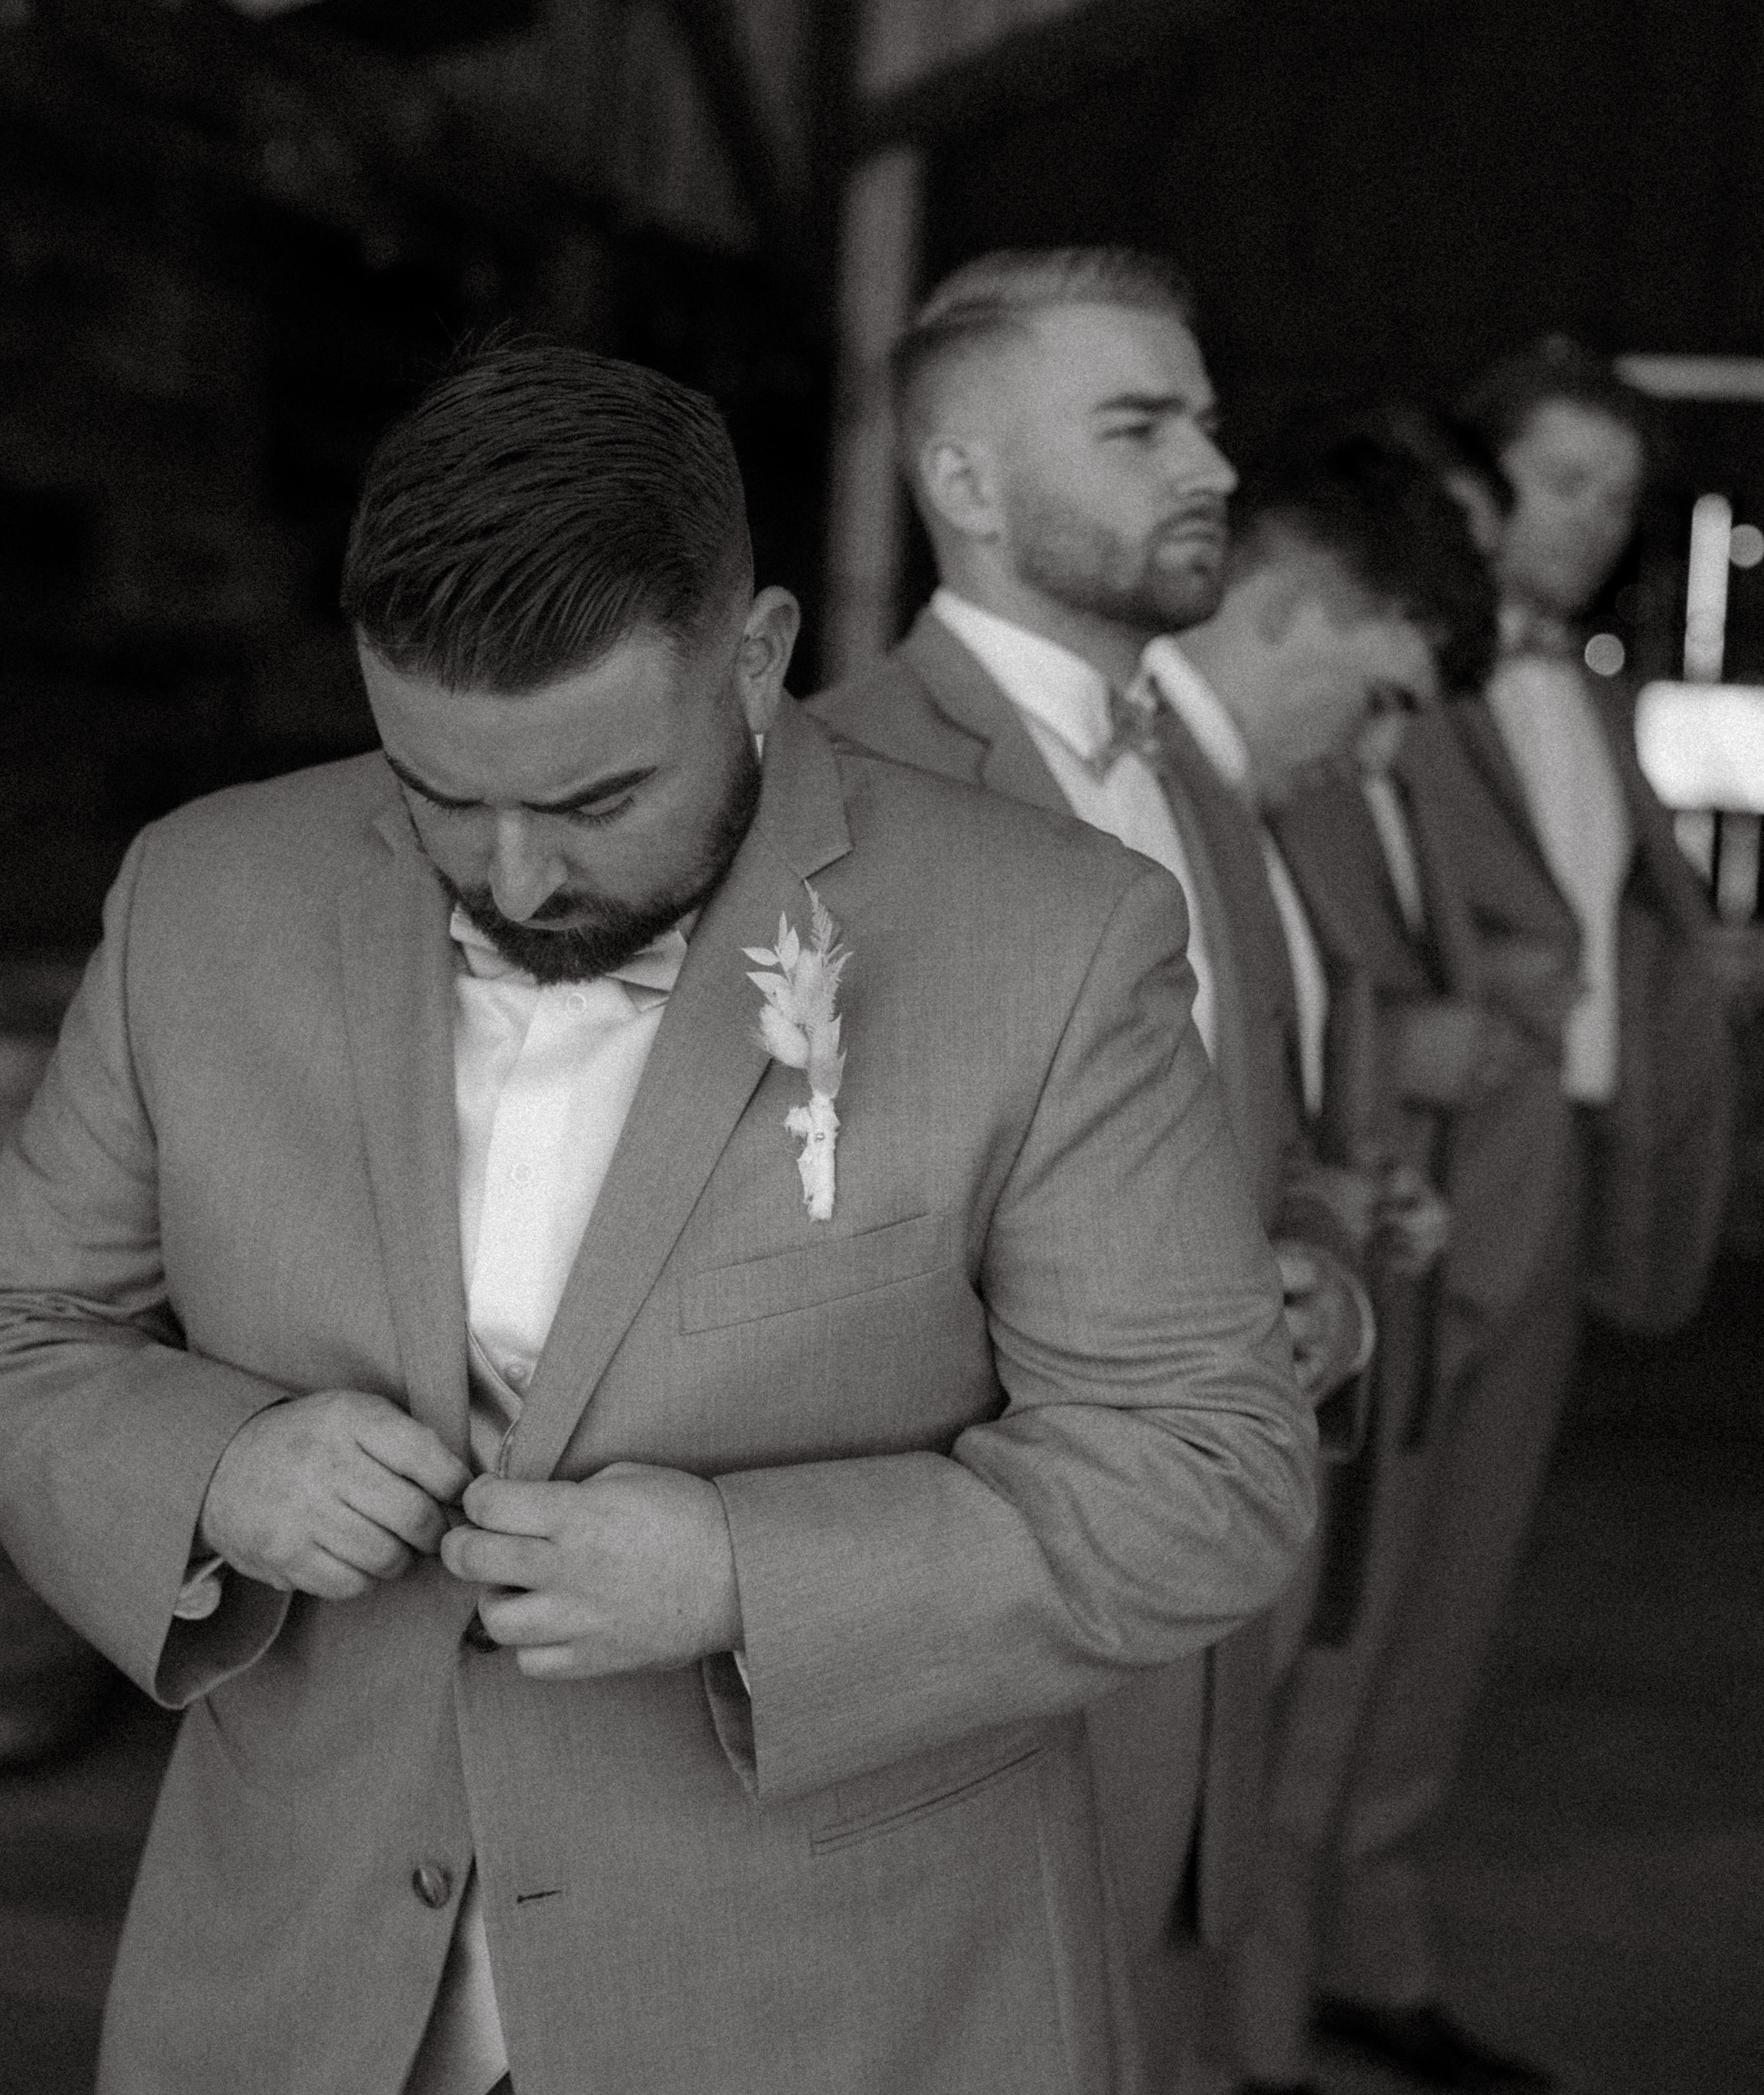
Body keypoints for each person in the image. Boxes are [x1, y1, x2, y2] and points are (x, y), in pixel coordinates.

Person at [0, 343, 1316, 2095]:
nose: (516, 875)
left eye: (596, 799)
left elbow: (1207, 1469)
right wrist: (211, 1468)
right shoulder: (201, 895)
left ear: (758, 658)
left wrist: (745, 1575)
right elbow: (29, 1331)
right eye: (439, 792)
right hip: (291, 1989)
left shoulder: (1054, 939)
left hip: (843, 2011)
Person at [812, 252, 1443, 2066]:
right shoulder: (841, 782)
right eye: (1140, 428)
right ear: (967, 482)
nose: (1214, 469)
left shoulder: (1202, 789)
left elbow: (1275, 1144)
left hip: (1198, 1628)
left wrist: (1324, 1279)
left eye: (1209, 424)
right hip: (977, 1645)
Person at [1278, 358, 1736, 2094]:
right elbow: (1308, 927)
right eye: (1565, 482)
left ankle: (1370, 1940)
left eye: (1620, 493)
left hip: (1551, 1177)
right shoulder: (1384, 690)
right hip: (1412, 1178)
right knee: (1349, 1594)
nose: (1594, 521)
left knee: (1453, 1597)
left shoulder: (1589, 694)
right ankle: (1271, 1971)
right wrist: (1412, 1046)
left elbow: (1606, 928)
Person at [1224, 427, 1574, 2095]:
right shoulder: (1245, 773)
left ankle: (1274, 2023)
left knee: (1347, 1669)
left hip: (1378, 1245)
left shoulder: (1380, 746)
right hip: (1252, 1327)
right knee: (1262, 1714)